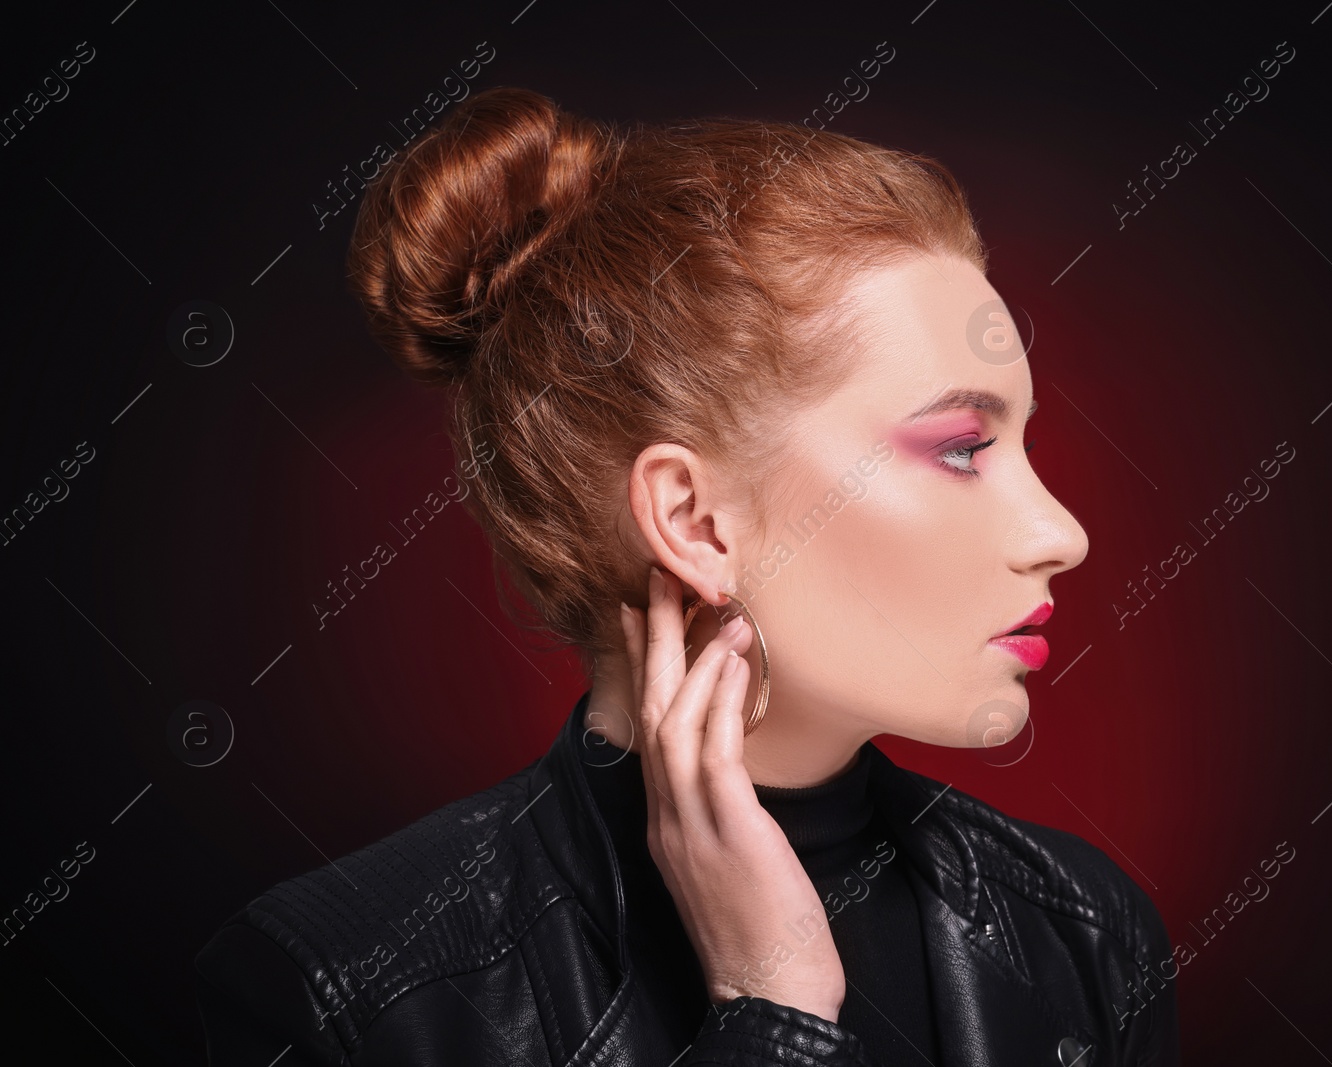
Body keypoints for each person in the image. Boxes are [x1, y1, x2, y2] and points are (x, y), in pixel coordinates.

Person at [193, 86, 1180, 1066]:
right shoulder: (349, 991)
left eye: (1026, 443)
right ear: (694, 520)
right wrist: (770, 1016)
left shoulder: (1086, 928)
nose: (1061, 531)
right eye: (964, 446)